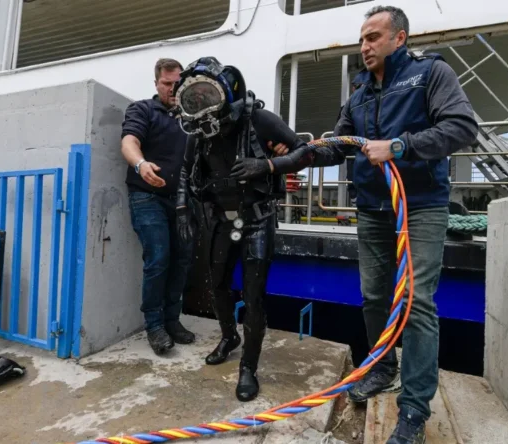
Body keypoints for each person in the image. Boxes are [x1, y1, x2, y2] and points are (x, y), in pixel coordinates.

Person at [332, 6, 479, 444]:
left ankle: (413, 409)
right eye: (362, 39)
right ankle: (381, 369)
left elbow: (462, 127)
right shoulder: (358, 92)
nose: (365, 46)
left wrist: (399, 146)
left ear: (399, 39)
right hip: (373, 208)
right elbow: (340, 142)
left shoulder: (431, 74)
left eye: (374, 37)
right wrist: (283, 155)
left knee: (416, 304)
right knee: (374, 295)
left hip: (420, 206)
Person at [172, 56, 340, 402]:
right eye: (195, 99)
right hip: (221, 220)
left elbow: (305, 152)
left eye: (207, 96)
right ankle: (228, 336)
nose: (202, 106)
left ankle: (248, 367)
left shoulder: (259, 120)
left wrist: (268, 164)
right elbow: (186, 174)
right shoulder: (198, 134)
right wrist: (181, 209)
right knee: (216, 284)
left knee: (253, 296)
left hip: (257, 219)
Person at [120, 58, 196, 355]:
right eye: (167, 84)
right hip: (146, 194)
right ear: (156, 84)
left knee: (183, 259)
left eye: (178, 83)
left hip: (182, 200)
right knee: (159, 257)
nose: (173, 89)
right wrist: (140, 164)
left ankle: (172, 320)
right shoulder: (142, 109)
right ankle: (154, 326)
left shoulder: (192, 118)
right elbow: (128, 141)